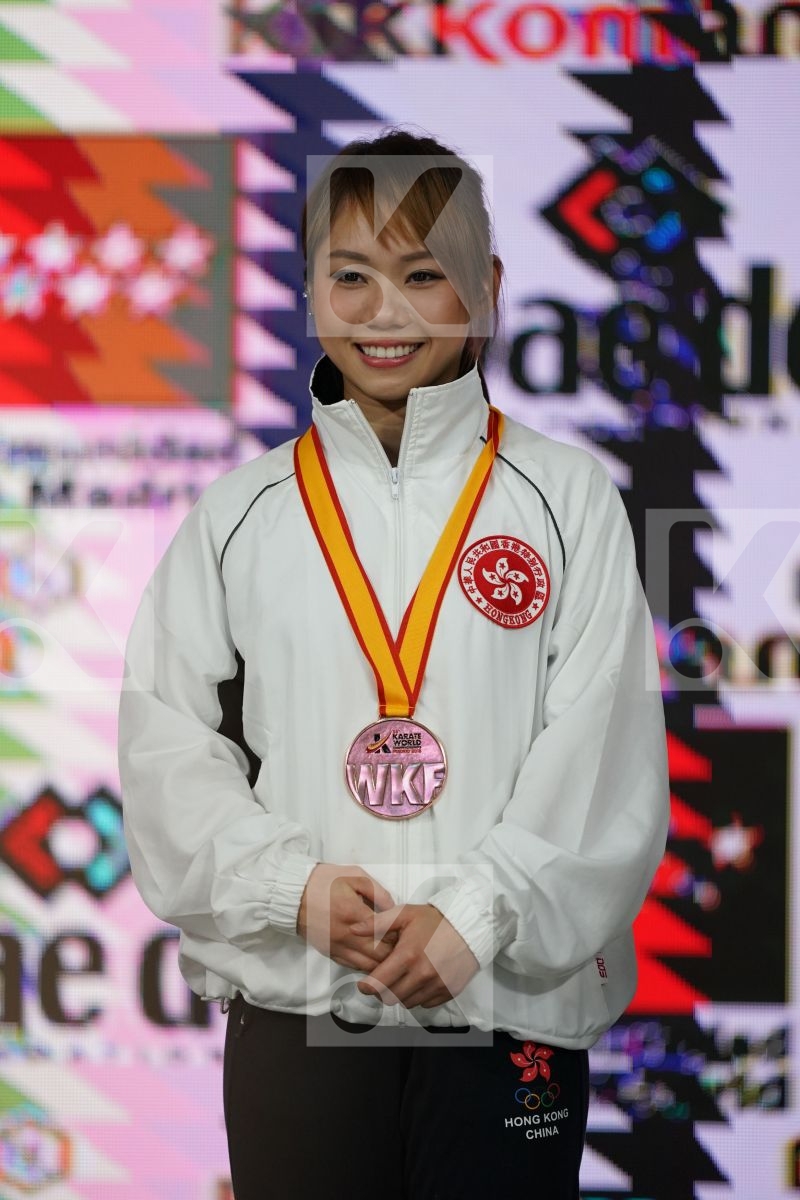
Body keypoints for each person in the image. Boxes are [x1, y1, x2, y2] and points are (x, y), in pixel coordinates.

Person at [117, 127, 670, 1199]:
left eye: (424, 276)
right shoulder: (240, 514)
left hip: (508, 1005)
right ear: (310, 286)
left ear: (488, 285)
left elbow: (601, 743)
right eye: (353, 276)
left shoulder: (565, 499)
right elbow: (167, 741)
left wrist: (479, 913)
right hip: (300, 1000)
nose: (386, 311)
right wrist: (289, 887)